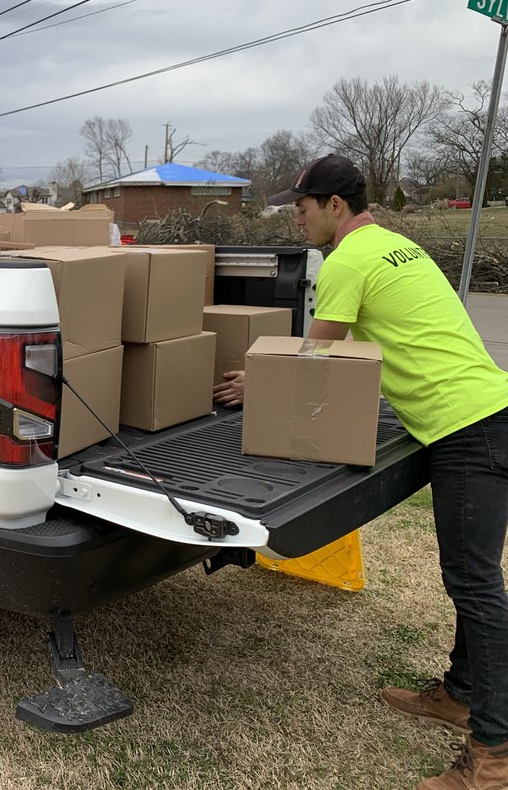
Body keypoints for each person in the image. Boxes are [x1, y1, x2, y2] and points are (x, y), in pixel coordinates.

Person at [211, 154, 508, 789]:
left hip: (467, 426)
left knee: (476, 587)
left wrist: (256, 385)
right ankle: (459, 696)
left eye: (302, 208)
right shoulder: (394, 245)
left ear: (334, 206)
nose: (297, 220)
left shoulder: (345, 259)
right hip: (485, 410)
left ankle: (494, 757)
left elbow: (315, 357)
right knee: (471, 578)